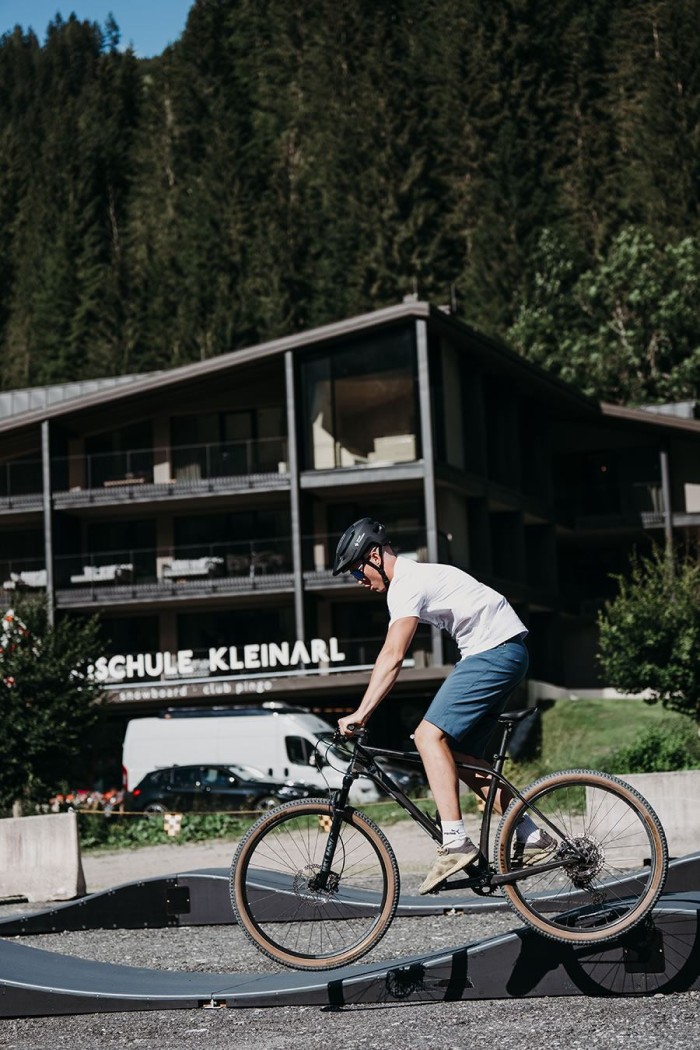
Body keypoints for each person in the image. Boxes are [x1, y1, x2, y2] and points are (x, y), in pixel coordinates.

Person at [333, 516, 554, 894]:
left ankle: (455, 843)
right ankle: (534, 838)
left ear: (374, 555)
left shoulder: (405, 584)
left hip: (494, 652)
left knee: (427, 737)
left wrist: (361, 713)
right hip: (503, 651)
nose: (359, 582)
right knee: (459, 755)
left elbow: (392, 656)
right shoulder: (415, 579)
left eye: (357, 572)